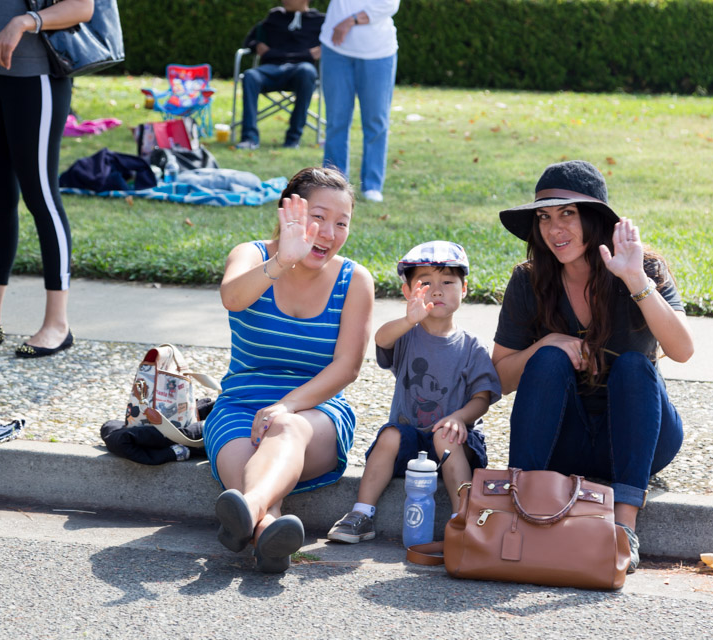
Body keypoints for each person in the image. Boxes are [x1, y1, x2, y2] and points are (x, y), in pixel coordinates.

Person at [491, 160, 694, 573]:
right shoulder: (528, 281)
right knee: (547, 357)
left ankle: (623, 530)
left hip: (639, 438)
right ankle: (522, 512)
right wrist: (544, 344)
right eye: (545, 217)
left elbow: (683, 349)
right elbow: (500, 378)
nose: (555, 229)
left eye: (568, 213)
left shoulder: (644, 268)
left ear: (595, 218)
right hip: (565, 441)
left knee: (635, 367)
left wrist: (635, 280)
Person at [203, 166, 373, 572]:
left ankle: (247, 512)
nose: (329, 233)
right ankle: (268, 534)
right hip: (239, 409)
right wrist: (283, 260)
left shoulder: (355, 280)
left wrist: (287, 406)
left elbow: (347, 368)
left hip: (316, 414)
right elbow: (232, 297)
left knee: (287, 428)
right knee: (255, 478)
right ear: (287, 214)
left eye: (341, 223)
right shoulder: (251, 255)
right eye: (318, 217)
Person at [327, 241, 501, 543]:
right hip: (410, 439)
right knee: (389, 434)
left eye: (448, 282)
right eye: (425, 283)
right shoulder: (406, 335)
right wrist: (409, 319)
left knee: (444, 434)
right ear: (408, 292)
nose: (437, 290)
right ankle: (361, 513)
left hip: (456, 442)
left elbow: (482, 398)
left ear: (465, 289)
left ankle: (465, 519)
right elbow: (382, 339)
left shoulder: (472, 346)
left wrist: (459, 418)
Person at [0, 0, 94, 356]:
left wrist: (27, 21)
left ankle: (58, 323)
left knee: (41, 198)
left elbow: (83, 7)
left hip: (34, 77)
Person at [319, 0, 399, 203]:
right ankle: (332, 185)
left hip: (378, 53)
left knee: (376, 121)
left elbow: (389, 5)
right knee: (336, 121)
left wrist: (351, 21)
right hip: (335, 50)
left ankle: (372, 185)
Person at [236, 0, 325, 150]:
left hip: (300, 70)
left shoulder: (320, 21)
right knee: (250, 75)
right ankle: (249, 138)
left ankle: (293, 138)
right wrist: (257, 45)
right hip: (271, 69)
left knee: (307, 71)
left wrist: (322, 50)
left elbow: (333, 43)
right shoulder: (274, 16)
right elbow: (250, 40)